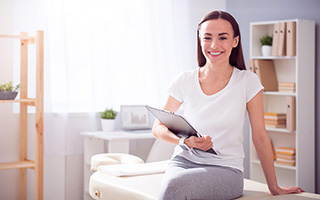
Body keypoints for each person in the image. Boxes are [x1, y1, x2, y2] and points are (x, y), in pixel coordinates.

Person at [152, 10, 304, 200]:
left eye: (222, 38)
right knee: (173, 184)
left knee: (174, 187)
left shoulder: (248, 82)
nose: (214, 45)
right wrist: (185, 141)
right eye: (207, 38)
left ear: (235, 41)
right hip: (183, 162)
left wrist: (274, 187)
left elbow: (260, 137)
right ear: (200, 40)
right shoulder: (184, 80)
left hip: (226, 169)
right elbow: (158, 128)